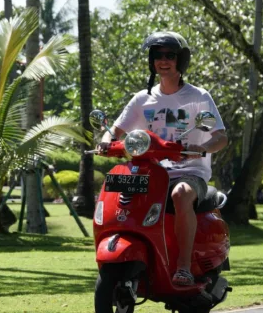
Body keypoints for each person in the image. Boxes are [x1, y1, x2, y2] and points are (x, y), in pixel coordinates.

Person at [97, 31, 228, 286]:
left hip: (190, 173)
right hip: (151, 172)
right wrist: (105, 140)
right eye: (158, 55)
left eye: (170, 55)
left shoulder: (198, 97)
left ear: (181, 60)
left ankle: (183, 268)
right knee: (117, 191)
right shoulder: (142, 99)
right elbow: (115, 130)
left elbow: (220, 137)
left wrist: (202, 149)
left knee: (180, 193)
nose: (163, 60)